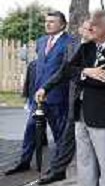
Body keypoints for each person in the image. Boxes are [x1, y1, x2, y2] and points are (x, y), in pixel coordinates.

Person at [36, 11, 105, 186]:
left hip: (102, 113)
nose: (90, 28)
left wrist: (84, 75)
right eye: (90, 25)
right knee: (84, 159)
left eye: (94, 25)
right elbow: (67, 70)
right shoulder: (87, 47)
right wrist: (87, 71)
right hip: (81, 112)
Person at [5, 11, 75, 175]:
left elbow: (65, 70)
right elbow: (39, 68)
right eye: (46, 21)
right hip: (38, 95)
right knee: (30, 130)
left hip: (57, 96)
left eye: (52, 21)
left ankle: (58, 168)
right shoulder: (41, 41)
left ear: (63, 25)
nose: (47, 24)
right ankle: (24, 162)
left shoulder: (70, 43)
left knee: (59, 134)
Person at [38, 19, 93, 185]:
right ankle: (58, 170)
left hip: (96, 101)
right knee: (67, 136)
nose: (90, 31)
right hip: (74, 99)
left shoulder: (97, 47)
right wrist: (46, 88)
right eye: (87, 28)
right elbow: (63, 72)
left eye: (93, 28)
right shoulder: (72, 46)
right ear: (80, 29)